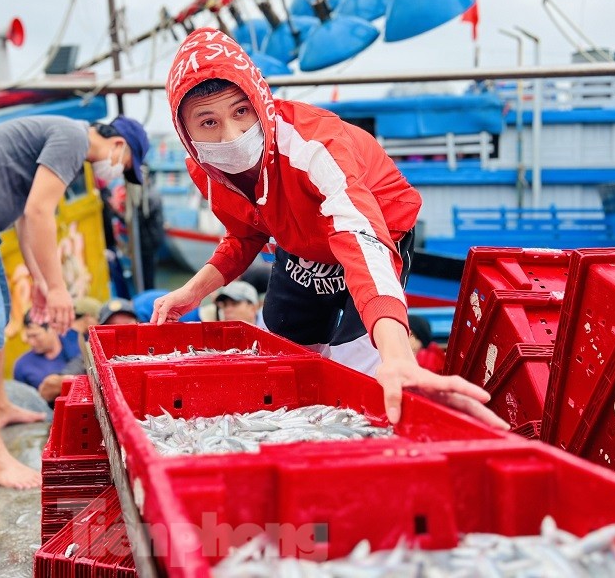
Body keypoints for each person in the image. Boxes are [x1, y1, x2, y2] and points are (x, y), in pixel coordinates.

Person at [151, 27, 505, 430]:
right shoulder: (205, 169)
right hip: (300, 248)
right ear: (186, 132)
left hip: (374, 232)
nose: (231, 136)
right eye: (208, 122)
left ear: (260, 100)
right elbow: (245, 234)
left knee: (358, 370)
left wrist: (398, 355)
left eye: (241, 111)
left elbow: (362, 238)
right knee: (285, 366)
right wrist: (191, 292)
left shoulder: (314, 146)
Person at [0, 114, 149, 488]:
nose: (117, 173)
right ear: (119, 145)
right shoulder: (73, 137)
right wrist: (57, 289)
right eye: (125, 166)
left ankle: (0, 407)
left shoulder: (64, 139)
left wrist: (40, 281)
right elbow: (39, 213)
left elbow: (26, 218)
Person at [35, 296, 102, 403]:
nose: (99, 324)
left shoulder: (69, 335)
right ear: (88, 316)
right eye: (98, 319)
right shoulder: (73, 339)